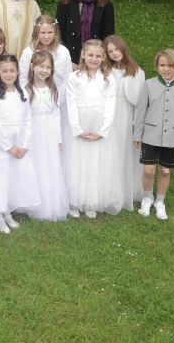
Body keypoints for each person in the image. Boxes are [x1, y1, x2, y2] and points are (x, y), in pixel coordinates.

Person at [0, 54, 39, 234]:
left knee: (14, 178)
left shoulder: (23, 93)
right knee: (0, 178)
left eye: (12, 70)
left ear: (18, 72)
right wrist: (8, 146)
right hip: (0, 144)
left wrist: (25, 144)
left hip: (19, 141)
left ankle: (8, 212)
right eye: (4, 71)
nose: (8, 74)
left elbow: (28, 119)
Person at [134, 49, 174, 221]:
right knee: (148, 170)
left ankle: (160, 201)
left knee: (165, 171)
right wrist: (137, 135)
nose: (166, 69)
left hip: (172, 138)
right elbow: (140, 111)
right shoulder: (148, 85)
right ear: (156, 66)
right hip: (150, 135)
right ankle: (147, 198)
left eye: (170, 65)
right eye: (162, 65)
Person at [65, 39, 117, 218]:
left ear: (103, 58)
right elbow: (71, 103)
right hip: (79, 127)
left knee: (95, 164)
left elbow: (110, 105)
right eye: (91, 55)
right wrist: (77, 129)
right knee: (77, 164)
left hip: (98, 127)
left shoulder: (108, 79)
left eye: (98, 56)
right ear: (83, 55)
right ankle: (74, 201)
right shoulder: (74, 78)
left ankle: (90, 201)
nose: (94, 59)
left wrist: (103, 131)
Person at [25, 51, 69, 222]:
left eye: (48, 67)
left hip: (49, 132)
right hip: (34, 131)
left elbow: (56, 114)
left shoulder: (53, 89)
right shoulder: (26, 90)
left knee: (49, 165)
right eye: (40, 66)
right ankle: (32, 202)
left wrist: (58, 139)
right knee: (35, 164)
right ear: (32, 67)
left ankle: (49, 202)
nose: (44, 70)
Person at [105, 35, 146, 207]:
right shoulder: (106, 70)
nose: (114, 53)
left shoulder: (136, 71)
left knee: (125, 151)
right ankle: (109, 190)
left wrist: (137, 123)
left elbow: (141, 100)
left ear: (123, 48)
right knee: (110, 152)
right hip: (109, 113)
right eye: (110, 51)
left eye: (116, 49)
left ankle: (126, 189)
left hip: (127, 114)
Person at [56, 0, 115, 64]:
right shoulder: (64, 4)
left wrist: (100, 58)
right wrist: (68, 60)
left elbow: (108, 36)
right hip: (70, 59)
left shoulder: (105, 4)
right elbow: (59, 33)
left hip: (96, 59)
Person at [18, 15, 73, 86]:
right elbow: (23, 78)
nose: (46, 36)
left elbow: (68, 77)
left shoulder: (63, 51)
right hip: (34, 90)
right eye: (42, 32)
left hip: (59, 90)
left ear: (55, 33)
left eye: (50, 32)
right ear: (36, 33)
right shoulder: (28, 52)